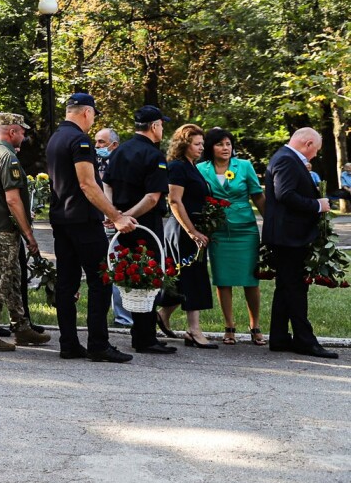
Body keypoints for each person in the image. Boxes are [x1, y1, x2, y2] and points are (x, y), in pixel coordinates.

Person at [48, 93, 136, 363]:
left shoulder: (55, 138)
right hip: (83, 223)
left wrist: (105, 213)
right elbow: (87, 184)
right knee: (101, 281)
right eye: (94, 114)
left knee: (67, 283)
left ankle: (69, 343)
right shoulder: (79, 140)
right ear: (87, 112)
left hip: (62, 220)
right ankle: (98, 344)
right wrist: (116, 216)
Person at [103, 105, 177, 355]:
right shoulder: (154, 156)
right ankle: (145, 338)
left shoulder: (119, 150)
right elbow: (153, 198)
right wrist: (128, 217)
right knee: (148, 278)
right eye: (161, 125)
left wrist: (114, 213)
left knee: (132, 276)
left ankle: (141, 333)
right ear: (154, 126)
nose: (163, 129)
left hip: (122, 225)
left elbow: (107, 184)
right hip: (144, 224)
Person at [0, 113, 50, 351]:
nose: (25, 136)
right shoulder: (8, 157)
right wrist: (29, 235)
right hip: (5, 227)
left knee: (13, 278)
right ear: (12, 132)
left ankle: (21, 327)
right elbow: (13, 200)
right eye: (23, 132)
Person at [263, 128, 337, 358]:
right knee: (295, 288)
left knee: (285, 287)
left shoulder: (285, 158)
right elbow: (285, 194)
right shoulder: (286, 160)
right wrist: (318, 205)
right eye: (315, 149)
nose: (314, 155)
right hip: (289, 237)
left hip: (287, 235)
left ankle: (279, 337)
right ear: (307, 143)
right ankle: (305, 340)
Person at [197, 128, 266, 345]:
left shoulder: (244, 166)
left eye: (228, 144)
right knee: (223, 280)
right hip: (218, 231)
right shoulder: (200, 169)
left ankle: (255, 326)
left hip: (245, 230)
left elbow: (258, 195)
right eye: (220, 144)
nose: (226, 148)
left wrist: (273, 224)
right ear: (210, 147)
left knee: (251, 280)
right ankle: (229, 326)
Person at [165, 123, 217, 349]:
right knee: (191, 276)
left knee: (184, 277)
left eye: (202, 144)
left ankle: (162, 315)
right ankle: (194, 330)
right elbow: (174, 200)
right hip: (182, 230)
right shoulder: (177, 167)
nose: (201, 148)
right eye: (197, 144)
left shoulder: (191, 166)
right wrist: (192, 231)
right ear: (184, 144)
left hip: (192, 229)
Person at [93, 126, 132, 328]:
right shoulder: (92, 162)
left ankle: (123, 316)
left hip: (117, 220)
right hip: (99, 221)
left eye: (101, 142)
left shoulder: (122, 163)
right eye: (96, 142)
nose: (97, 146)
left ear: (114, 145)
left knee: (119, 266)